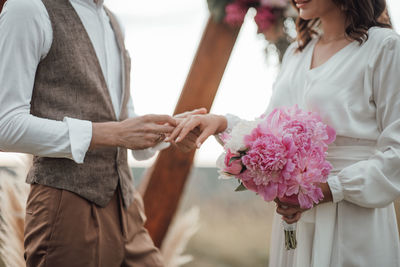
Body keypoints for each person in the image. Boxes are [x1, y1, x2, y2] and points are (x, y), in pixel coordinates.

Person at [168, 0, 400, 266]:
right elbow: (269, 131)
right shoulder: (296, 53)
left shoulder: (385, 47)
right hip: (295, 221)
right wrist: (220, 123)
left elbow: (397, 151)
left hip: (353, 214)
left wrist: (328, 190)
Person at [0, 0, 203, 266]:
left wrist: (168, 131)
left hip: (127, 207)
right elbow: (5, 127)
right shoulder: (27, 8)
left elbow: (121, 118)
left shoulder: (113, 22)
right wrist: (112, 133)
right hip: (66, 207)